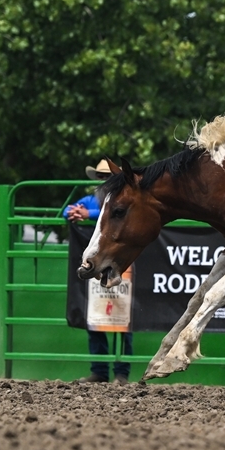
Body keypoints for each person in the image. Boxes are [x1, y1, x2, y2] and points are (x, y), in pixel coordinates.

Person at [65, 159, 133, 385]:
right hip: (99, 263)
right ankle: (101, 371)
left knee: (123, 320)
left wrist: (87, 215)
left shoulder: (124, 200)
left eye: (109, 177)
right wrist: (75, 212)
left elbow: (120, 215)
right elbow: (68, 210)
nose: (105, 181)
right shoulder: (93, 200)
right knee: (96, 317)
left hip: (122, 263)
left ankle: (120, 372)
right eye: (103, 177)